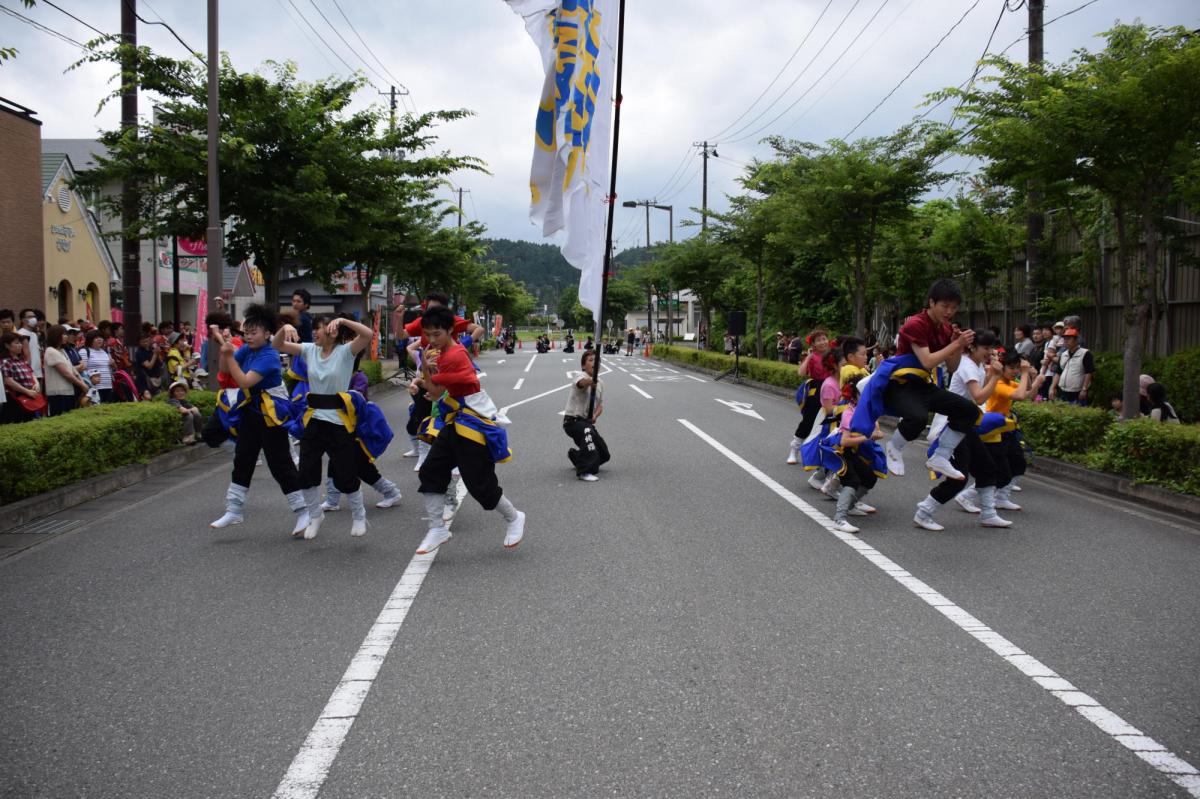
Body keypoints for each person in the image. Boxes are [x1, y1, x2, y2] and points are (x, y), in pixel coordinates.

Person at [414, 305, 525, 555]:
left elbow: (439, 389)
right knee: (431, 470)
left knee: (479, 484)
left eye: (437, 334)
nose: (432, 339)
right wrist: (427, 369)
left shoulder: (454, 355)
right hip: (455, 420)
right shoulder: (440, 353)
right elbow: (436, 393)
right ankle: (436, 528)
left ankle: (514, 517)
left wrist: (428, 371)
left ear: (450, 330)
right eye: (428, 334)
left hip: (472, 422)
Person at [857, 279, 978, 482]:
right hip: (901, 384)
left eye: (954, 307)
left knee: (969, 411)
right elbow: (927, 360)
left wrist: (956, 346)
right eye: (945, 306)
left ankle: (941, 455)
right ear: (931, 302)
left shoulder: (946, 329)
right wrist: (955, 343)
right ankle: (894, 447)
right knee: (918, 418)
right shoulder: (916, 324)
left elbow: (952, 367)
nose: (949, 312)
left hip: (923, 385)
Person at [273, 312, 375, 539]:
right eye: (313, 329)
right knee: (305, 472)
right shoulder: (310, 350)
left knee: (345, 473)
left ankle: (359, 515)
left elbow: (367, 334)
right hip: (314, 419)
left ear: (332, 331)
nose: (314, 333)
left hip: (339, 421)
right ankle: (315, 514)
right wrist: (284, 328)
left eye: (318, 328)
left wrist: (344, 321)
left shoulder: (346, 351)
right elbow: (277, 345)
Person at [209, 304, 308, 535]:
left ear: (267, 333)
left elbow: (244, 381)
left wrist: (229, 355)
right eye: (246, 332)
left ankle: (304, 510)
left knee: (280, 463)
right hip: (251, 410)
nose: (249, 336)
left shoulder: (269, 355)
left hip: (271, 414)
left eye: (254, 332)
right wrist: (225, 352)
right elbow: (226, 370)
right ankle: (234, 509)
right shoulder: (247, 349)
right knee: (243, 459)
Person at [911, 330, 1012, 530]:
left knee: (986, 467)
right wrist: (996, 376)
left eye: (991, 348)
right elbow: (979, 397)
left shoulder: (977, 365)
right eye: (985, 347)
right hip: (951, 426)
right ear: (972, 347)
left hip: (964, 426)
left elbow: (980, 394)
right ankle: (924, 512)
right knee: (959, 476)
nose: (989, 352)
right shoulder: (966, 366)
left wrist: (991, 375)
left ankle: (988, 514)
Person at [984, 352, 1042, 510]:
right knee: (998, 470)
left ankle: (1001, 498)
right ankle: (966, 496)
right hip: (994, 430)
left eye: (1017, 368)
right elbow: (1020, 396)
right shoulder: (998, 383)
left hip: (1005, 428)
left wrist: (1034, 381)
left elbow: (1028, 393)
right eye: (1011, 368)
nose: (1015, 371)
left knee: (1018, 463)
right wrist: (1025, 373)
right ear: (1002, 368)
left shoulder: (1009, 382)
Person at [830, 372, 884, 534]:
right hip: (841, 452)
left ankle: (851, 505)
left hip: (853, 452)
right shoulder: (848, 413)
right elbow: (844, 441)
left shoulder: (865, 411)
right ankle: (839, 519)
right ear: (855, 394)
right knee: (852, 481)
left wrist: (875, 432)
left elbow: (876, 431)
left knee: (869, 477)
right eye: (864, 393)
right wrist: (868, 436)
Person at [788, 330, 836, 464]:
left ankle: (827, 454)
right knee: (809, 421)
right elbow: (801, 373)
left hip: (833, 389)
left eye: (824, 339)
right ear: (813, 344)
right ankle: (794, 449)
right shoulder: (812, 357)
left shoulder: (834, 355)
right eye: (819, 340)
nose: (822, 342)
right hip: (816, 389)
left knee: (832, 421)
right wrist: (808, 357)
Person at [563, 350, 610, 482]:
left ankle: (576, 456)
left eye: (597, 360)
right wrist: (590, 382)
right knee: (588, 431)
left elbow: (600, 406)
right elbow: (581, 383)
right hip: (572, 422)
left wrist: (595, 415)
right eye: (590, 360)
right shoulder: (580, 376)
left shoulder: (601, 383)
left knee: (604, 454)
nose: (595, 362)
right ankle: (584, 471)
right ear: (583, 365)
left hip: (586, 423)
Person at [43, 325, 90, 416]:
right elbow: (66, 373)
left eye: (66, 334)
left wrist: (83, 383)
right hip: (58, 393)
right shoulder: (51, 351)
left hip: (68, 391)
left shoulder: (62, 351)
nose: (66, 337)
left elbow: (73, 370)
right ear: (55, 336)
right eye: (63, 334)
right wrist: (82, 385)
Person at [1, 331, 41, 423]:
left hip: (29, 397)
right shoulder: (5, 362)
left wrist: (36, 384)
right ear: (7, 345)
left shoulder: (21, 361)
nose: (20, 345)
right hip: (15, 399)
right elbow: (8, 381)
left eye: (20, 343)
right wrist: (27, 391)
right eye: (16, 343)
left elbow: (32, 374)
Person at [1049, 328, 1093, 405]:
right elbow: (1058, 372)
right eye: (1065, 339)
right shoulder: (1063, 354)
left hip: (1077, 392)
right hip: (1062, 390)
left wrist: (1084, 389)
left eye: (1069, 339)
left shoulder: (1085, 353)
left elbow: (1089, 372)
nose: (1066, 341)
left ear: (1076, 340)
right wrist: (1052, 387)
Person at [79, 329, 116, 404]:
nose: (99, 339)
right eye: (96, 338)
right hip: (94, 387)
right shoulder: (85, 351)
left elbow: (112, 369)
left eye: (101, 337)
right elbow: (82, 369)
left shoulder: (105, 352)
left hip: (108, 386)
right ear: (90, 340)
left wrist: (113, 365)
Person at [17, 308, 44, 384]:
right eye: (30, 317)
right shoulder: (20, 334)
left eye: (34, 316)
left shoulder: (34, 334)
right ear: (23, 320)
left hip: (38, 372)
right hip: (28, 373)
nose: (33, 319)